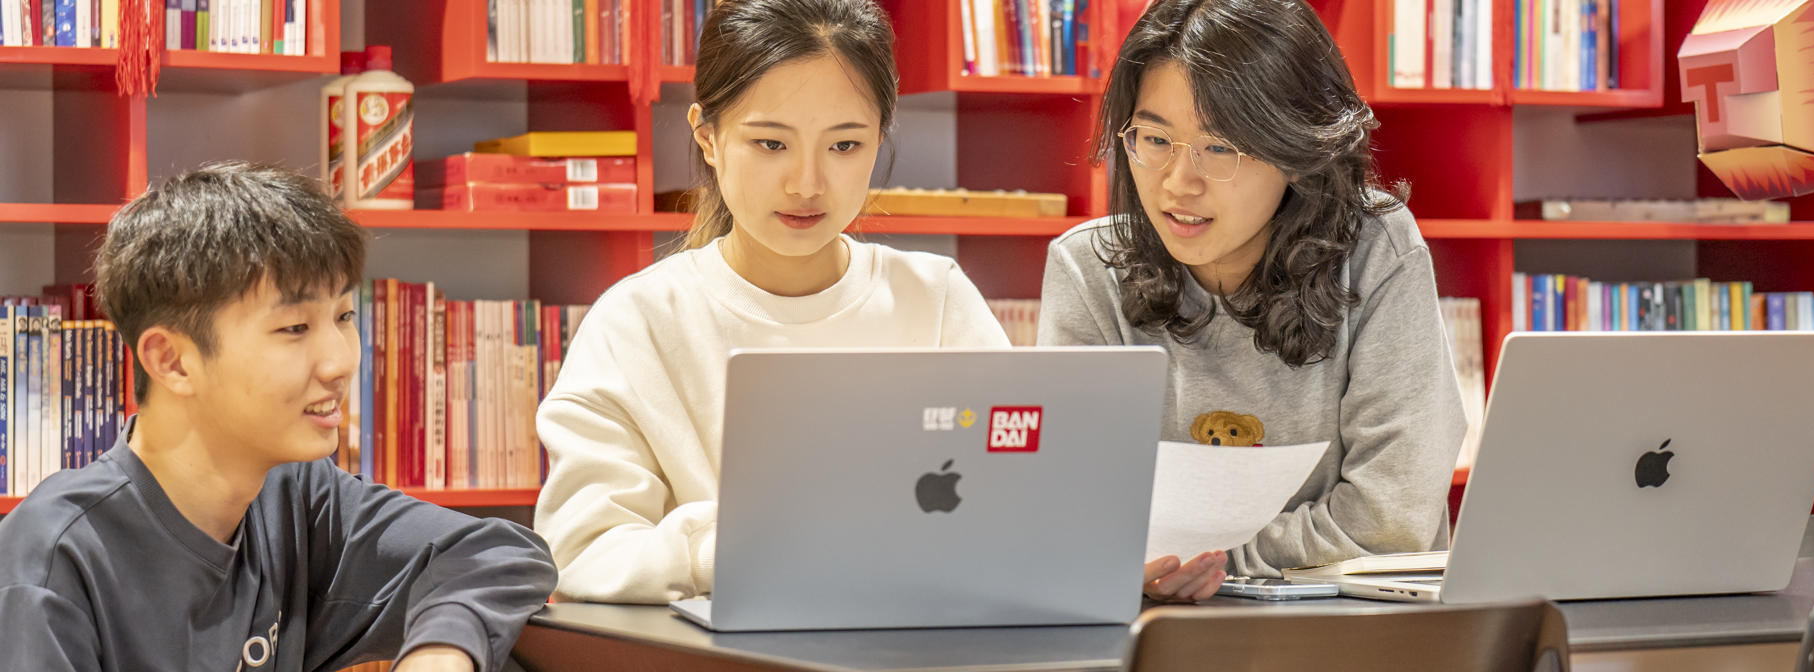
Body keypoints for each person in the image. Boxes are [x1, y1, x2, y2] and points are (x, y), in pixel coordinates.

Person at [534, 0, 1010, 605]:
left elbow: (1016, 495)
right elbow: (580, 553)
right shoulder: (638, 322)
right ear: (707, 138)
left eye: (844, 146)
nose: (807, 183)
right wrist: (748, 544)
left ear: (879, 140)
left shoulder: (936, 297)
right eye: (769, 144)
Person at [0, 161, 558, 671]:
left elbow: (501, 554)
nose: (340, 361)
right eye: (294, 328)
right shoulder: (53, 557)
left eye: (343, 315)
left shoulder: (296, 495)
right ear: (171, 360)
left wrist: (444, 652)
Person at [1039, 0, 1466, 602]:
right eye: (1155, 139)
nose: (1177, 182)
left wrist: (1202, 564)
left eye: (1220, 149)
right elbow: (1072, 510)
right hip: (1152, 635)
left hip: (1356, 637)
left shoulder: (1376, 250)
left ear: (1297, 150)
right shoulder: (1088, 269)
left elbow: (1393, 519)